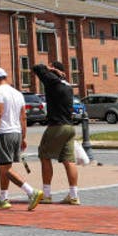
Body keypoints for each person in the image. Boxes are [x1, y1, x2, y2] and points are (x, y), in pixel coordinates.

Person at [0, 67, 44, 210]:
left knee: (5, 169)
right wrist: (23, 137)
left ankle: (31, 192)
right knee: (4, 167)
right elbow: (23, 117)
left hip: (3, 133)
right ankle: (3, 198)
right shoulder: (18, 94)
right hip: (16, 133)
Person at [33, 61, 81, 205]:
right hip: (69, 127)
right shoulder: (67, 86)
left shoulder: (53, 82)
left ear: (54, 70)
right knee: (69, 161)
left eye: (50, 67)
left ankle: (47, 194)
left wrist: (49, 69)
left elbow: (37, 68)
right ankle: (74, 196)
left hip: (56, 126)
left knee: (44, 156)